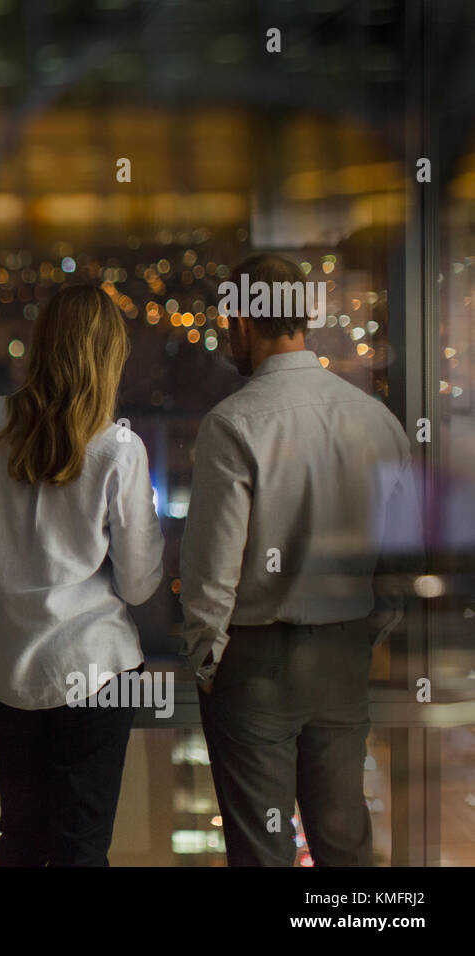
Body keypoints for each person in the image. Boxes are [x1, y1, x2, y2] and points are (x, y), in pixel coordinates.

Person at [0, 284, 164, 866]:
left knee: (19, 836)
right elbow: (141, 585)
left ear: (43, 345)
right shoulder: (119, 449)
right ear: (109, 357)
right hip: (96, 673)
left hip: (7, 673)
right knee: (81, 847)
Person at [180, 252, 421, 867]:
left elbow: (213, 571)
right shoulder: (377, 421)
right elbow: (404, 556)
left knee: (263, 851)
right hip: (342, 655)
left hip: (257, 661)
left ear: (241, 322)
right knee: (344, 843)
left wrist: (210, 659)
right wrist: (366, 631)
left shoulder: (233, 424)